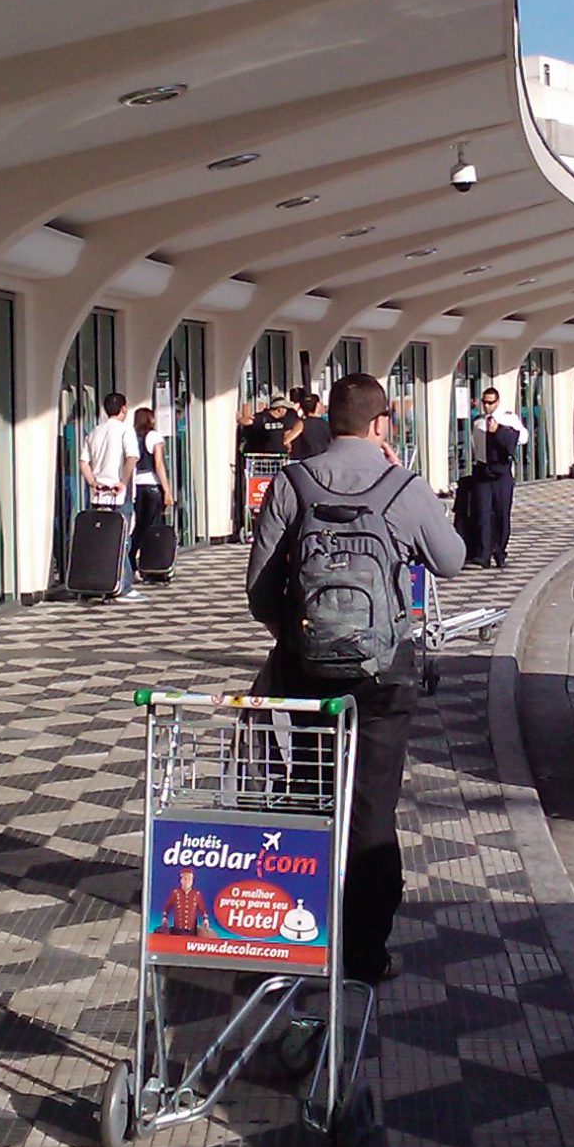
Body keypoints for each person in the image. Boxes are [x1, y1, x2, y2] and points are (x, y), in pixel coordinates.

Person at [247, 373, 466, 986]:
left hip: (307, 670)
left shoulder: (292, 483)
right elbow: (452, 560)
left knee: (312, 797)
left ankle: (299, 935)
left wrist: (300, 639)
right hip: (384, 675)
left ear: (330, 420)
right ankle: (365, 954)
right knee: (372, 812)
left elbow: (259, 593)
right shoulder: (403, 484)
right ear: (381, 424)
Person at [80, 390, 140, 596]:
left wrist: (92, 482)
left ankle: (103, 581)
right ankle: (124, 586)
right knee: (123, 537)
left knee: (102, 540)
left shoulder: (95, 431)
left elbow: (83, 462)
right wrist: (123, 481)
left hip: (98, 494)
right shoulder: (125, 430)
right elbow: (132, 457)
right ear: (123, 409)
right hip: (118, 494)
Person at [465, 385, 528, 568]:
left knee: (502, 514)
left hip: (501, 472)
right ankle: (483, 554)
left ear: (497, 402)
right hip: (483, 470)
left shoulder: (508, 418)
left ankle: (500, 551)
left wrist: (500, 430)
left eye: (490, 403)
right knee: (482, 514)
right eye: (484, 402)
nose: (487, 406)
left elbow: (523, 437)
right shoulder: (478, 421)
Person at [130, 404, 173, 565]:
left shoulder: (133, 437)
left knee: (140, 525)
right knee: (153, 526)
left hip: (138, 485)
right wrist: (167, 490)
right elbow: (159, 464)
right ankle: (152, 563)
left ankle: (132, 560)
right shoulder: (154, 436)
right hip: (152, 485)